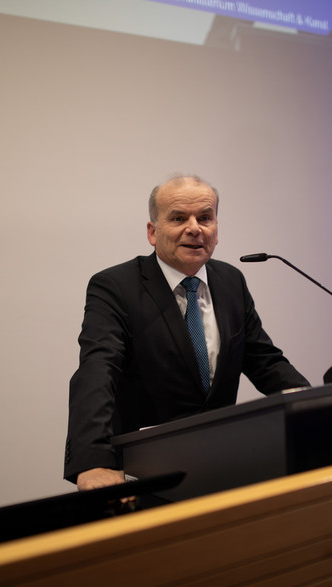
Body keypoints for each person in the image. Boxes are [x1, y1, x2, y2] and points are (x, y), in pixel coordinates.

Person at [64, 173, 310, 491]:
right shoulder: (115, 287)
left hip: (226, 462)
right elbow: (98, 371)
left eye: (205, 218)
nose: (194, 228)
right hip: (148, 470)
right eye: (179, 218)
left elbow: (265, 362)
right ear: (153, 232)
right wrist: (94, 461)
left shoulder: (231, 281)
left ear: (216, 230)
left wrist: (313, 410)